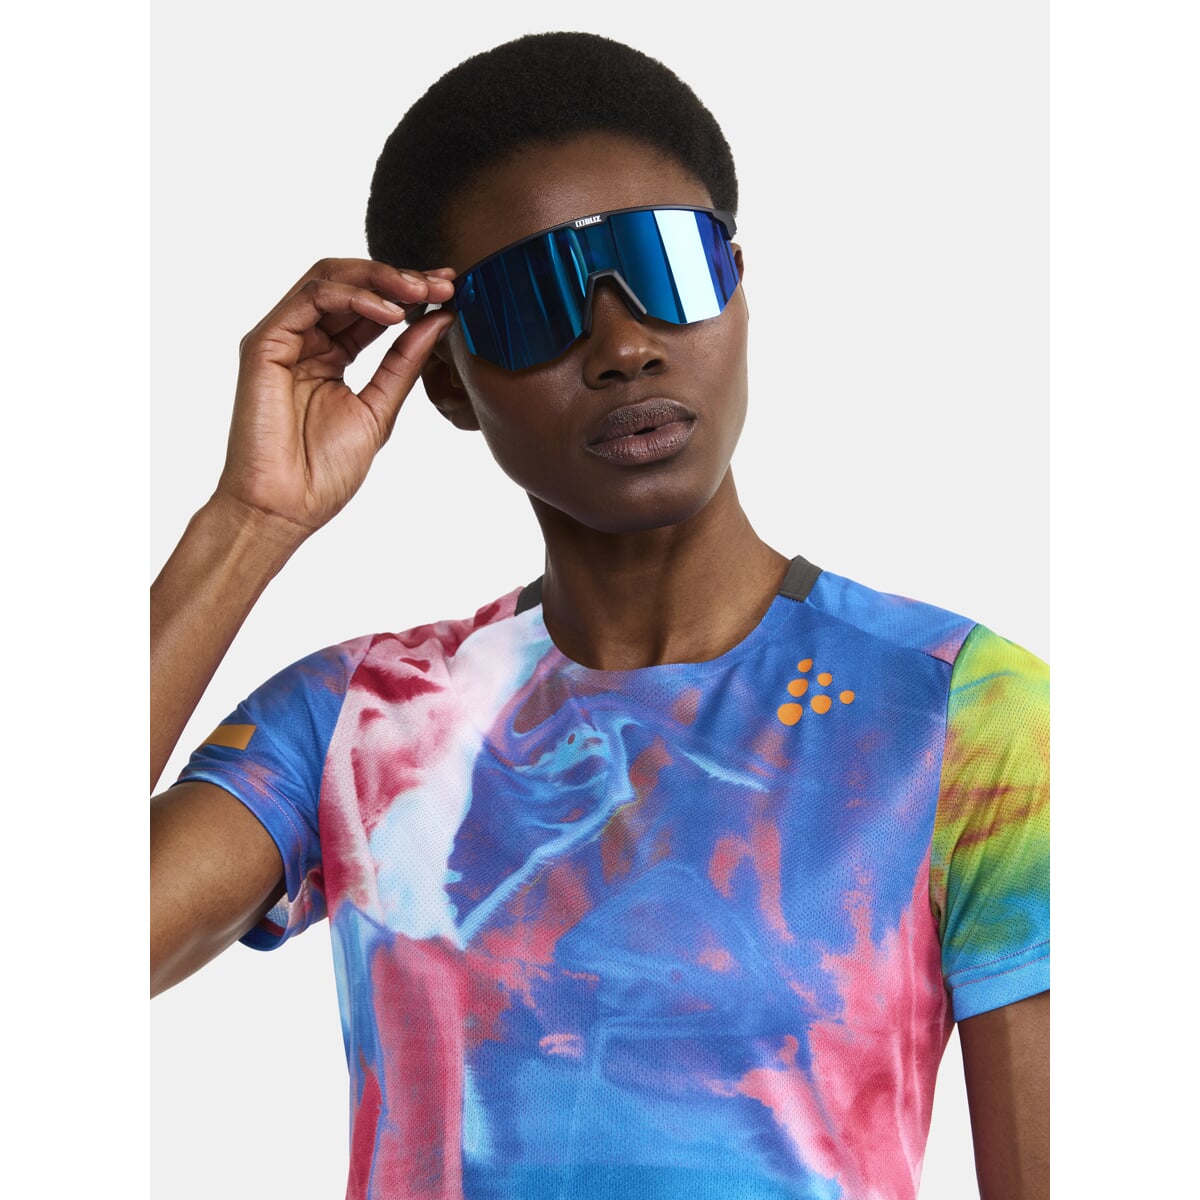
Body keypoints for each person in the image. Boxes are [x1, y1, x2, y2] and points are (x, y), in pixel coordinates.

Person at [151, 31, 1048, 1200]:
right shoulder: (362, 725)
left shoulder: (961, 713)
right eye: (537, 302)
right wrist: (247, 523)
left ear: (736, 288)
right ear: (447, 379)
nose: (625, 348)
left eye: (666, 267)